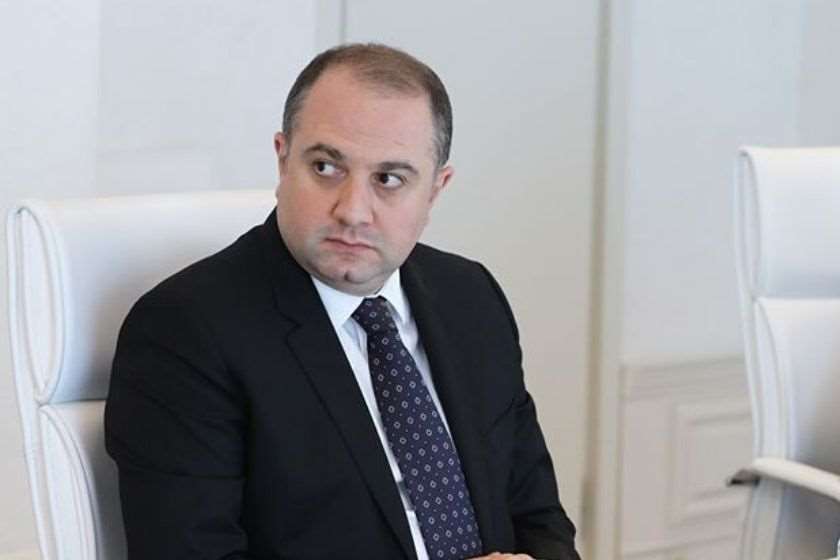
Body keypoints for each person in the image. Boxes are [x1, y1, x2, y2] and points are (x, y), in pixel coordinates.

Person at [105, 43, 580, 560]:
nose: (353, 211)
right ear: (283, 159)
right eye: (327, 167)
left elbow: (538, 517)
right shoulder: (186, 330)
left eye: (389, 179)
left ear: (435, 190)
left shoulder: (470, 297)